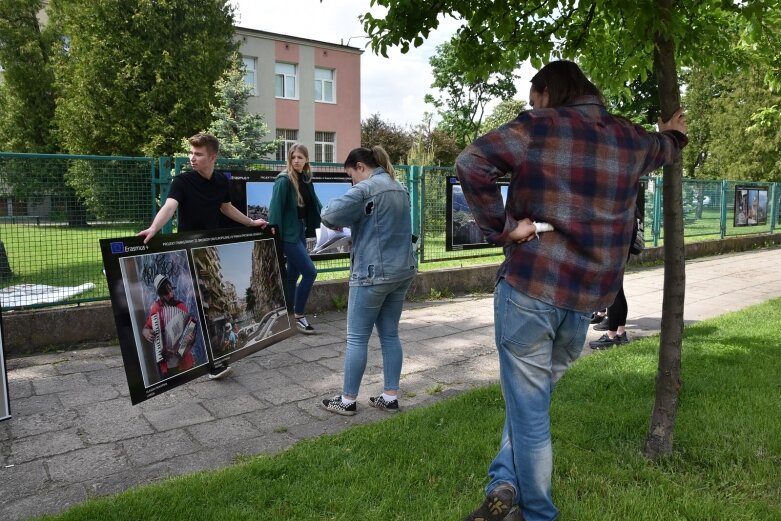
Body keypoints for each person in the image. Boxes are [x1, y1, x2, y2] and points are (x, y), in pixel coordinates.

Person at [455, 60, 688, 521]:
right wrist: (674, 134)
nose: (529, 104)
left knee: (530, 407)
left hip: (531, 287)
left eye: (532, 96)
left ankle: (539, 513)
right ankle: (504, 481)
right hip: (586, 300)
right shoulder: (629, 137)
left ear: (548, 92)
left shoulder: (537, 127)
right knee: (531, 399)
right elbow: (665, 148)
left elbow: (470, 162)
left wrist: (504, 228)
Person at [138, 133, 269, 380]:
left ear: (213, 156)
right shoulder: (182, 181)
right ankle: (210, 363)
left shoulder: (221, 181)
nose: (192, 158)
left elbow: (226, 207)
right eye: (191, 153)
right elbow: (169, 206)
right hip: (186, 253)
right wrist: (154, 228)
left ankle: (209, 359)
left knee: (201, 312)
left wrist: (252, 222)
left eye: (198, 154)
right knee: (197, 308)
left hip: (210, 248)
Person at [317, 146, 416, 416]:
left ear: (360, 167)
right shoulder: (400, 187)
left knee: (357, 338)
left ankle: (347, 401)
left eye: (351, 175)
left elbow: (329, 214)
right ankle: (389, 396)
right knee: (390, 334)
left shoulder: (367, 188)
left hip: (371, 274)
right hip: (402, 271)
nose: (352, 181)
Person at [268, 144, 322, 334]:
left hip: (299, 231)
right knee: (310, 272)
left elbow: (315, 205)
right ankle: (299, 315)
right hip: (288, 235)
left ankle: (287, 317)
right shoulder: (284, 180)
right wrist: (276, 238)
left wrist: (331, 222)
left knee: (292, 277)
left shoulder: (306, 179)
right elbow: (275, 211)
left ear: (307, 159)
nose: (297, 160)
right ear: (289, 160)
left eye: (300, 157)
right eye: (293, 157)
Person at [590, 205, 644, 349]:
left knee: (613, 291)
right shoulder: (628, 199)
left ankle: (612, 336)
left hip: (614, 247)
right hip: (621, 246)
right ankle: (620, 333)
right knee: (618, 289)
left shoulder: (619, 204)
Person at [141, 274, 196, 380]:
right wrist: (145, 332)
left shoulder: (181, 306)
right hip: (166, 367)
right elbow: (146, 327)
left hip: (185, 362)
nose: (171, 295)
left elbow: (190, 328)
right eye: (167, 292)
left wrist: (190, 338)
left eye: (171, 290)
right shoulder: (155, 309)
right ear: (160, 294)